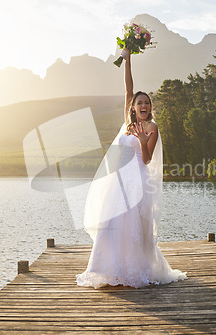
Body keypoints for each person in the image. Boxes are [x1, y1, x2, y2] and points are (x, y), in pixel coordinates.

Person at [75, 49, 187, 289]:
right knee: (111, 223)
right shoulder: (128, 124)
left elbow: (146, 159)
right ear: (133, 107)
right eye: (139, 102)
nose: (143, 105)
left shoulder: (152, 128)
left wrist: (145, 142)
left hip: (138, 181)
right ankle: (106, 269)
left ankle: (134, 270)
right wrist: (128, 60)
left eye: (147, 102)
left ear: (150, 107)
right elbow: (128, 88)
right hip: (118, 181)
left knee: (132, 226)